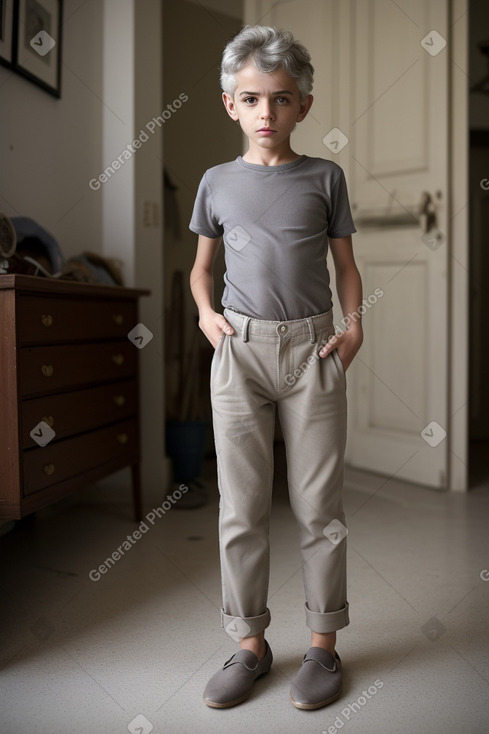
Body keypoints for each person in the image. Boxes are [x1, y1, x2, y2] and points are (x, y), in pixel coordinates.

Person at [189, 24, 363, 711]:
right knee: (241, 506)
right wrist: (206, 316)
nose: (266, 113)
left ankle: (322, 646)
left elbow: (346, 268)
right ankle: (249, 643)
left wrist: (353, 327)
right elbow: (201, 270)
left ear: (303, 106)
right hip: (238, 355)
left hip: (312, 351)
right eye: (252, 98)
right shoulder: (214, 182)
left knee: (320, 507)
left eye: (281, 99)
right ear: (229, 103)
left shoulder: (325, 177)